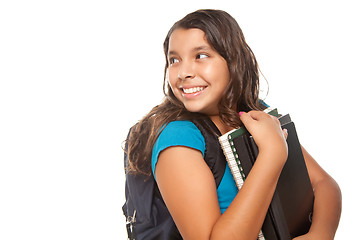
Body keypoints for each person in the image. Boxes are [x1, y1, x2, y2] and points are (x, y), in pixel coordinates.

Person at [126, 9, 341, 239]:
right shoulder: (178, 140)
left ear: (233, 60)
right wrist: (272, 154)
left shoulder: (252, 110)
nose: (184, 72)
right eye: (174, 60)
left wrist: (320, 233)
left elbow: (324, 184)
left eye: (200, 55)